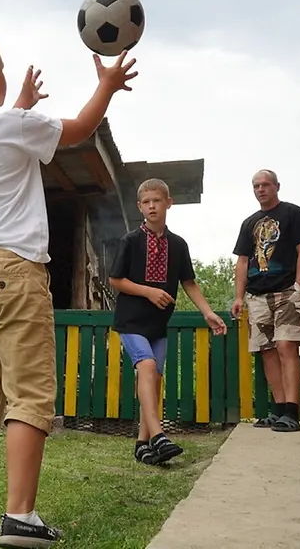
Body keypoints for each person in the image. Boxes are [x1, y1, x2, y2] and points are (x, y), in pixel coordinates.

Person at [0, 29, 138, 548]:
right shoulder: (14, 126)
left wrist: (20, 104)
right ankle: (20, 516)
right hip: (13, 267)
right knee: (29, 392)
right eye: (0, 70)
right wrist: (108, 85)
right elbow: (82, 128)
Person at [108, 178, 227, 465]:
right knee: (147, 367)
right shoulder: (130, 241)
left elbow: (189, 282)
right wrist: (148, 291)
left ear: (168, 203)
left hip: (158, 325)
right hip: (131, 321)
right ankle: (159, 436)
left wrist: (208, 312)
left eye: (157, 201)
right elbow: (116, 280)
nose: (152, 206)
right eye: (146, 202)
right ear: (139, 206)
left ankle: (142, 444)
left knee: (155, 380)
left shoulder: (178, 244)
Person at [231, 169, 300, 433]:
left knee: (286, 346)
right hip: (257, 295)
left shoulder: (293, 213)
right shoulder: (248, 223)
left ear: (276, 186)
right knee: (267, 351)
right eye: (256, 186)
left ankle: (292, 411)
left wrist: (299, 286)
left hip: (286, 292)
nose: (260, 189)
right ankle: (279, 409)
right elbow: (242, 261)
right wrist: (239, 296)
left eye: (265, 184)